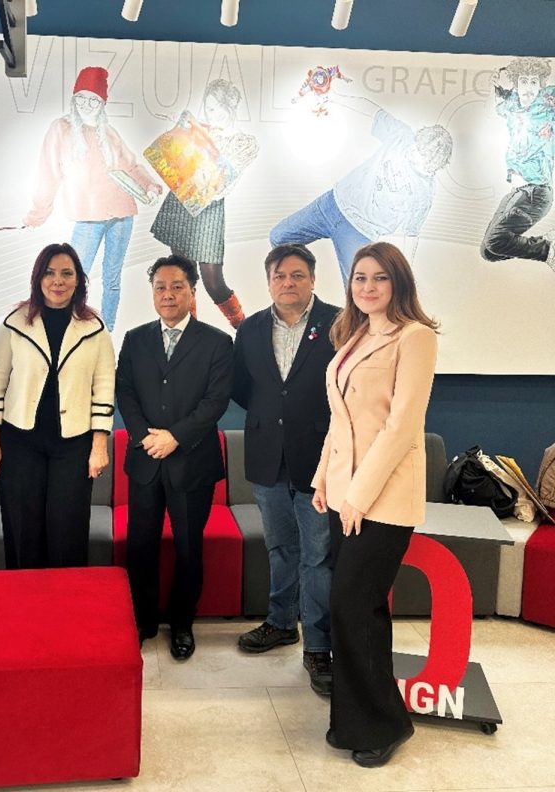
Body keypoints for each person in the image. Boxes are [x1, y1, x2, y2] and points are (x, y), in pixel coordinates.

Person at [311, 241, 438, 768]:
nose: (368, 287)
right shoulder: (355, 333)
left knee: (352, 606)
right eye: (360, 278)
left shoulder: (415, 337)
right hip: (346, 495)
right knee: (358, 609)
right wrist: (324, 479)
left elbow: (401, 426)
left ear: (398, 282)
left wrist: (359, 495)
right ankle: (357, 720)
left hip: (383, 498)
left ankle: (384, 725)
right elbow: (340, 419)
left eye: (379, 278)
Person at [232, 243, 338, 696]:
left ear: (312, 279)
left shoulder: (339, 323)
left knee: (318, 556)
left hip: (320, 457)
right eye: (279, 276)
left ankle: (318, 645)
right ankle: (280, 623)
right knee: (280, 547)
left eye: (297, 275)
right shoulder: (251, 328)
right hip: (267, 455)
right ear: (269, 281)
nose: (288, 283)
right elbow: (243, 387)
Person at [116, 254, 233, 659]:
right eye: (160, 287)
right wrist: (144, 437)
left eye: (177, 286)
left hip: (192, 462)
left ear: (192, 291)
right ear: (152, 293)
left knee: (188, 547)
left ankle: (182, 623)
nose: (168, 294)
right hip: (146, 459)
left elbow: (216, 401)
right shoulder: (135, 339)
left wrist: (176, 437)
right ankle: (143, 619)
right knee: (140, 546)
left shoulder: (217, 342)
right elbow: (125, 391)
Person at [0, 242, 115, 569]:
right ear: (38, 278)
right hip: (20, 441)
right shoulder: (14, 323)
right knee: (23, 531)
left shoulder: (95, 327)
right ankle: (25, 598)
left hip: (74, 444)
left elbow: (104, 388)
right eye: (50, 273)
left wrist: (99, 445)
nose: (58, 281)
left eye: (67, 273)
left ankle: (65, 599)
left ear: (78, 280)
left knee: (68, 532)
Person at [24, 66, 162, 330]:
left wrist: (151, 186)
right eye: (82, 98)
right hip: (87, 218)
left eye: (94, 100)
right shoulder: (61, 128)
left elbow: (132, 165)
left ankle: (106, 331)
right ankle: (68, 328)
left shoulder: (108, 133)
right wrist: (37, 214)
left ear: (102, 104)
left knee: (112, 279)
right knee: (72, 277)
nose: (87, 105)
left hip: (122, 214)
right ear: (74, 99)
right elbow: (48, 173)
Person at [270, 96, 452, 283]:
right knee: (278, 238)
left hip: (359, 232)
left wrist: (405, 275)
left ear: (431, 167)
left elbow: (411, 235)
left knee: (358, 292)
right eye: (413, 150)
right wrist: (337, 97)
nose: (411, 157)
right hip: (332, 204)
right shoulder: (402, 136)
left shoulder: (425, 193)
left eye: (417, 161)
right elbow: (372, 110)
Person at [150, 79, 259, 328]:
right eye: (209, 109)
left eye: (219, 108)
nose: (214, 114)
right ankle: (188, 334)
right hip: (182, 205)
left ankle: (245, 330)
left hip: (209, 211)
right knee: (183, 276)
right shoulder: (195, 131)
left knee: (213, 281)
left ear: (231, 106)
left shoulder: (242, 141)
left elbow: (224, 183)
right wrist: (176, 136)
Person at [480, 57, 555, 272]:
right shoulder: (512, 105)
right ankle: (546, 244)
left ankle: (548, 249)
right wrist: (495, 85)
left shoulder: (548, 103)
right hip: (517, 191)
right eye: (524, 82)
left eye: (534, 82)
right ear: (516, 84)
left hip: (536, 192)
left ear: (540, 86)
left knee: (496, 241)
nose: (529, 89)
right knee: (488, 251)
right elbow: (496, 107)